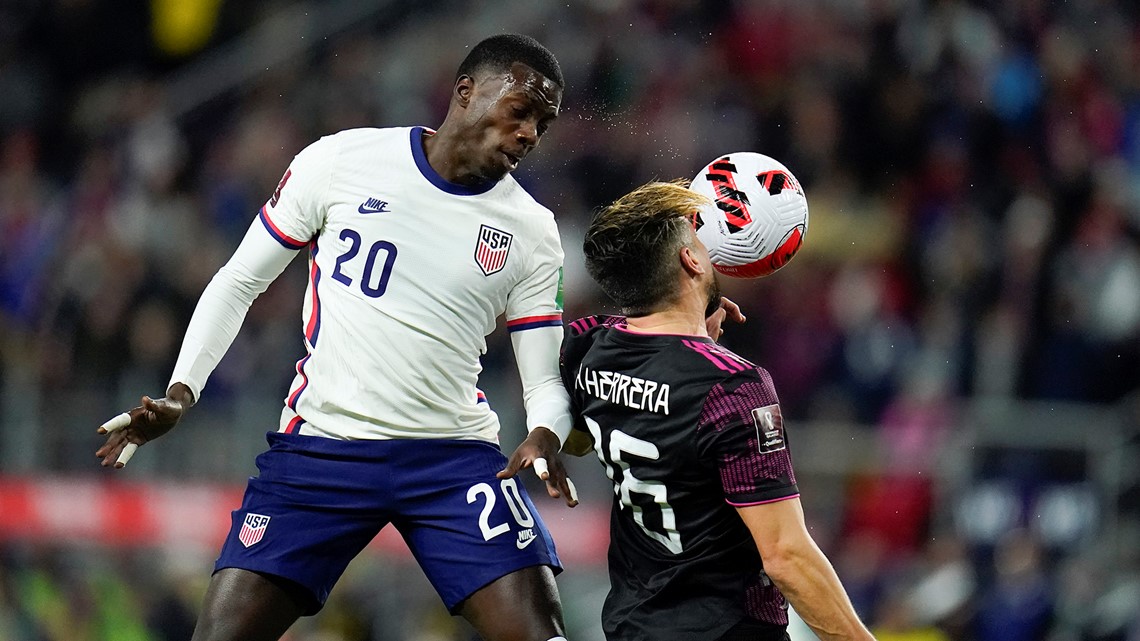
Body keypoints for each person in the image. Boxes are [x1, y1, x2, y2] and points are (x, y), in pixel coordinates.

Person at [96, 34, 579, 641]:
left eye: (544, 123)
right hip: (325, 446)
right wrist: (182, 391)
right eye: (521, 112)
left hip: (451, 459)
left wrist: (545, 433)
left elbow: (542, 381)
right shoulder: (341, 162)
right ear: (465, 92)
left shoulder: (531, 231)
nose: (531, 133)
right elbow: (239, 281)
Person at [560, 180, 875, 641]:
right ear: (690, 260)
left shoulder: (587, 346)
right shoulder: (731, 386)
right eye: (698, 237)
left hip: (633, 625)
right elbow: (786, 556)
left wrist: (691, 316)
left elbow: (579, 436)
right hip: (726, 629)